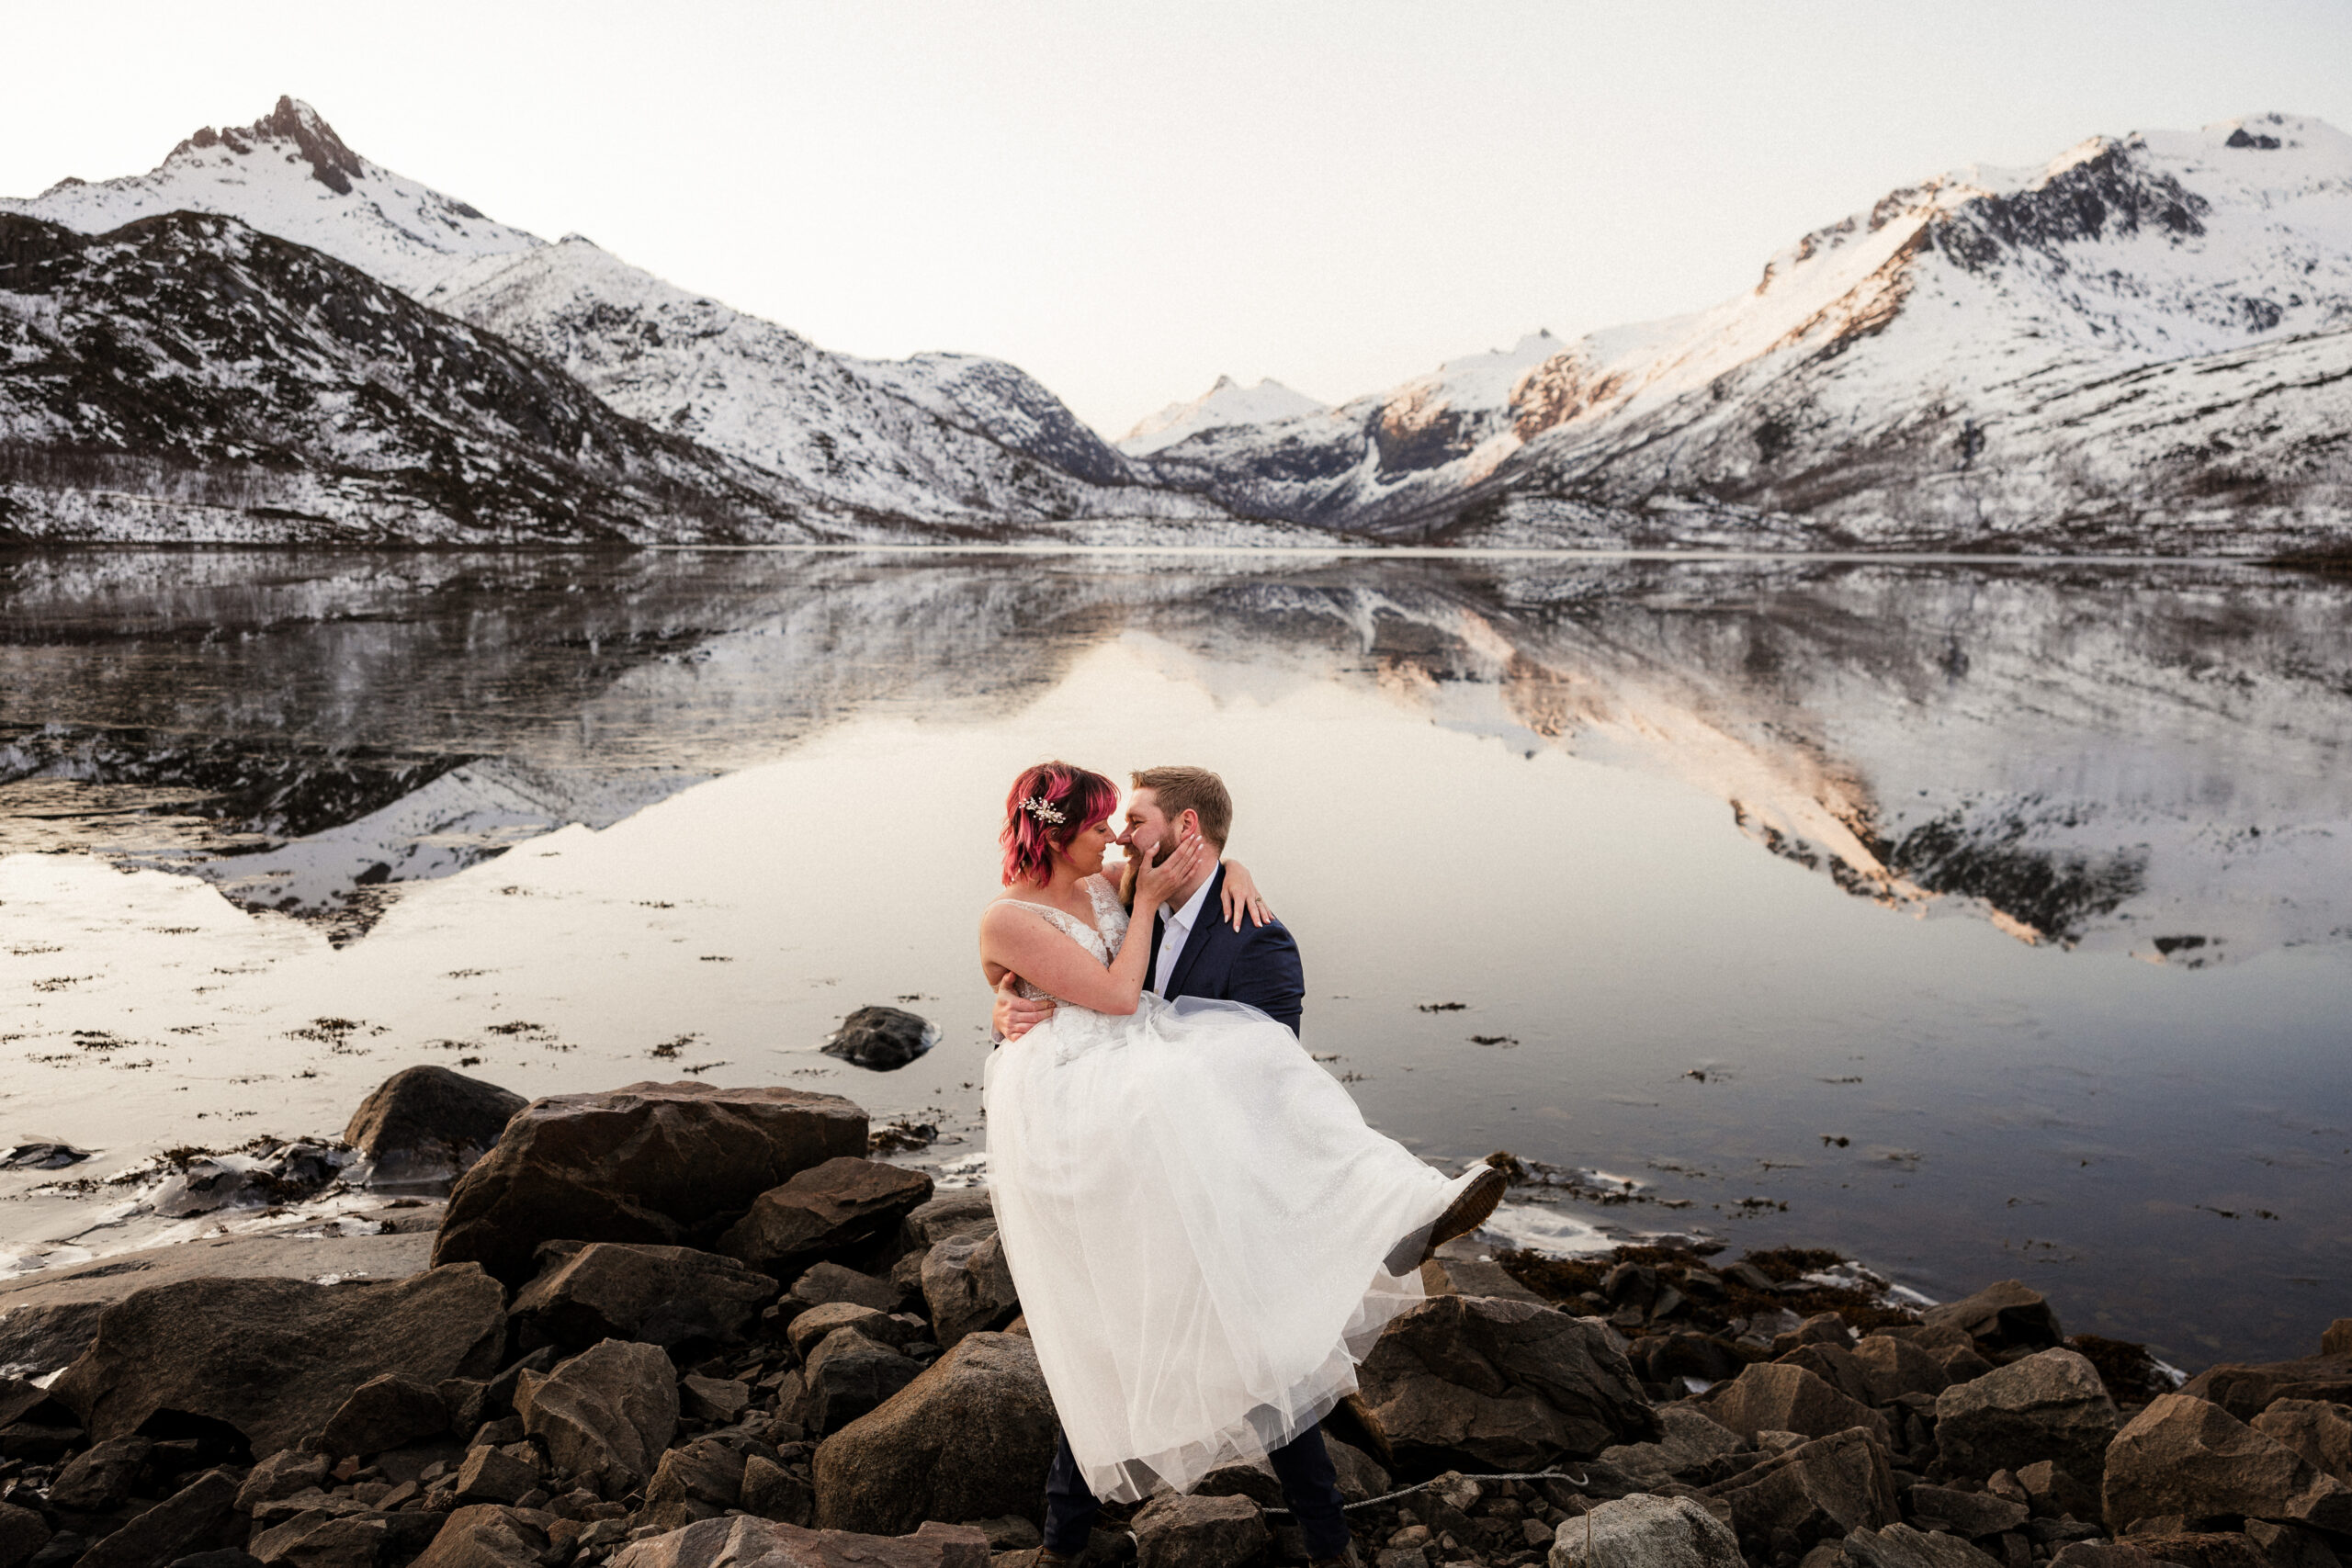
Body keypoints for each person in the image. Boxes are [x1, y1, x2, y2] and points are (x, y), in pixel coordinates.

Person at [978, 761, 1507, 1568]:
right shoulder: (1049, 906)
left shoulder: (1130, 890)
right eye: (1100, 823)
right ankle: (1067, 1536)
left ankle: (1406, 1208)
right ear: (1056, 829)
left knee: (1229, 1327)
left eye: (1128, 821)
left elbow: (1269, 1061)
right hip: (1087, 1130)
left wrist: (1231, 867)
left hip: (1173, 1135)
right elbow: (1097, 999)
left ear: (1183, 831)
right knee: (1119, 1332)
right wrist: (1007, 1003)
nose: (1115, 835)